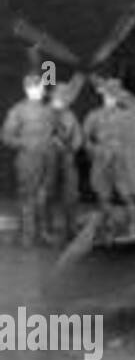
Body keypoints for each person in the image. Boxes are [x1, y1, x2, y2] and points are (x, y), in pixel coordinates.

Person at [2, 74, 57, 247]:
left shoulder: (49, 110)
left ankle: (42, 234)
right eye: (37, 87)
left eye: (41, 87)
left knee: (44, 196)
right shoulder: (18, 110)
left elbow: (53, 132)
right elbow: (6, 136)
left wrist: (54, 142)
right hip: (28, 160)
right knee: (27, 197)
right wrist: (26, 143)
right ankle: (27, 236)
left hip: (48, 158)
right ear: (28, 89)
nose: (41, 90)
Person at [83, 78, 135, 236]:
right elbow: (85, 138)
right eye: (108, 95)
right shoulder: (93, 116)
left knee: (127, 193)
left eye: (114, 96)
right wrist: (93, 150)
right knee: (102, 193)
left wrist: (129, 152)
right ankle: (110, 225)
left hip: (121, 157)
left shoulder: (128, 115)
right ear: (103, 96)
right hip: (101, 157)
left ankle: (133, 225)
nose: (110, 99)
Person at [47, 83, 85, 245]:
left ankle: (71, 228)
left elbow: (78, 136)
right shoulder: (44, 113)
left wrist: (72, 148)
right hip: (48, 159)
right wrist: (54, 141)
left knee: (71, 194)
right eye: (60, 95)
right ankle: (45, 228)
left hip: (67, 159)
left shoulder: (70, 115)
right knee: (47, 193)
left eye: (65, 96)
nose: (62, 98)